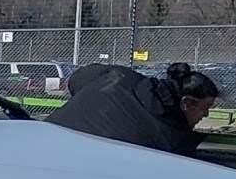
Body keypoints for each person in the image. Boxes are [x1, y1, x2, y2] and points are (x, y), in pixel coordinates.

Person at [47, 60, 222, 155]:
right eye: (205, 107)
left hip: (45, 140)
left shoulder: (121, 77)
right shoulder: (170, 141)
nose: (205, 114)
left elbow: (78, 78)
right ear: (186, 103)